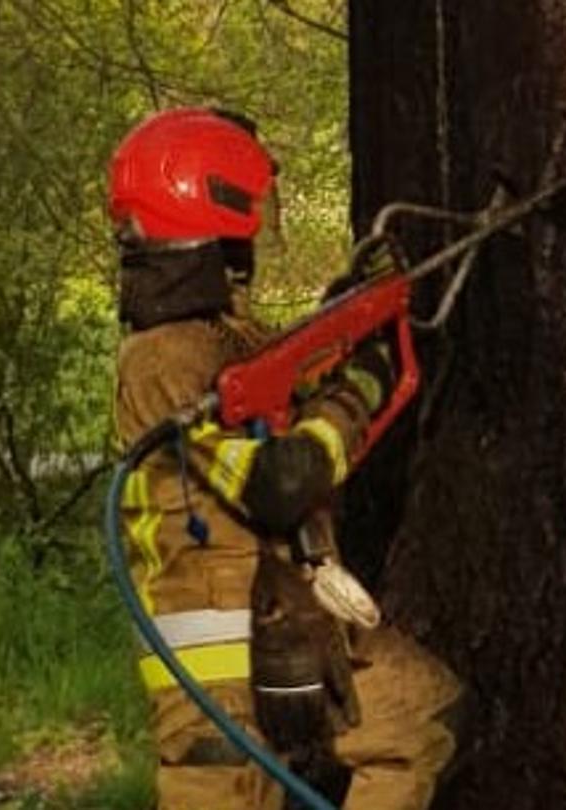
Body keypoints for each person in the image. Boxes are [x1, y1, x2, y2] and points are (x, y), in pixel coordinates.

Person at [108, 107, 461, 810]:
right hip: (212, 672)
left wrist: (349, 312)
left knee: (420, 715)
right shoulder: (162, 358)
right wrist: (362, 386)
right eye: (249, 217)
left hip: (289, 622)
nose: (256, 237)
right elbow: (282, 482)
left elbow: (287, 386)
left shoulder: (222, 339)